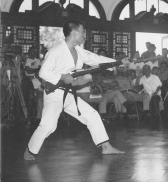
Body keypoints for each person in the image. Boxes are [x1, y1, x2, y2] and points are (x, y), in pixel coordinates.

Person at [24, 20, 125, 160]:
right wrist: (62, 76)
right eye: (83, 31)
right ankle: (30, 151)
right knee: (48, 126)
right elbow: (43, 73)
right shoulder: (56, 51)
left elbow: (95, 59)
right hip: (54, 94)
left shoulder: (78, 50)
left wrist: (117, 62)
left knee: (92, 115)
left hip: (68, 94)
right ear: (74, 32)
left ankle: (106, 147)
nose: (85, 35)